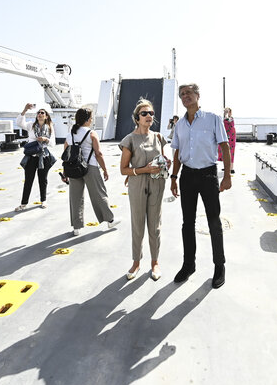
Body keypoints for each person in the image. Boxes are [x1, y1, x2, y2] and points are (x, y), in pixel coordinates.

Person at [170, 83, 232, 289]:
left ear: (197, 95)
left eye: (188, 93)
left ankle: (219, 266)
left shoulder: (213, 119)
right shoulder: (179, 126)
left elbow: (224, 146)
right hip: (187, 175)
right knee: (187, 223)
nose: (185, 96)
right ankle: (189, 265)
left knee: (214, 221)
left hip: (208, 175)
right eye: (182, 94)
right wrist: (173, 177)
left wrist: (226, 176)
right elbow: (177, 154)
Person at [119, 99, 171, 281]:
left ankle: (155, 262)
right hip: (137, 184)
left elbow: (162, 158)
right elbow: (123, 169)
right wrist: (144, 170)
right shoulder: (130, 140)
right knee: (138, 224)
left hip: (157, 184)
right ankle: (136, 262)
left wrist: (166, 163)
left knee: (155, 225)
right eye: (144, 114)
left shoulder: (158, 137)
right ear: (137, 118)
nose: (149, 116)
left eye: (151, 113)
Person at [64, 107, 119, 236]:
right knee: (99, 194)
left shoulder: (69, 135)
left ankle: (76, 227)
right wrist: (105, 169)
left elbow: (66, 154)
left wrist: (65, 172)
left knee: (75, 197)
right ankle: (110, 220)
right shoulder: (91, 133)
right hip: (90, 167)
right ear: (88, 119)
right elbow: (98, 153)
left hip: (73, 168)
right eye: (91, 118)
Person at [15, 103, 56, 212]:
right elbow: (19, 123)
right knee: (28, 180)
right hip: (31, 157)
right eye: (38, 113)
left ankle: (43, 200)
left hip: (44, 156)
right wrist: (25, 109)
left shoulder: (50, 128)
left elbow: (53, 143)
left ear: (46, 116)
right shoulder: (31, 125)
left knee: (43, 180)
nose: (40, 114)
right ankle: (23, 204)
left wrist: (45, 139)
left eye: (42, 113)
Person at [218, 107, 237, 174]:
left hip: (230, 137)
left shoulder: (230, 118)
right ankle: (226, 167)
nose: (225, 113)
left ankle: (231, 168)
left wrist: (226, 113)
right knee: (224, 151)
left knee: (231, 152)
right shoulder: (225, 118)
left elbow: (227, 119)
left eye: (227, 111)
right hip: (226, 136)